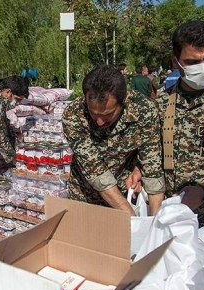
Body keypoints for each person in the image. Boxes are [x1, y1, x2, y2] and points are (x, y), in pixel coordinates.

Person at [128, 20, 204, 254]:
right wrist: (138, 169)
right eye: (193, 62)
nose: (203, 67)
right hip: (170, 217)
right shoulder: (161, 104)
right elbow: (150, 151)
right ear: (175, 61)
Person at [62, 65, 165, 216]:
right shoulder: (73, 115)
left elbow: (152, 167)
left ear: (123, 101)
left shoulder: (144, 110)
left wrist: (156, 224)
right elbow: (96, 172)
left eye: (107, 114)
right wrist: (132, 219)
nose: (99, 122)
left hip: (123, 193)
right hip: (84, 196)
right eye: (93, 113)